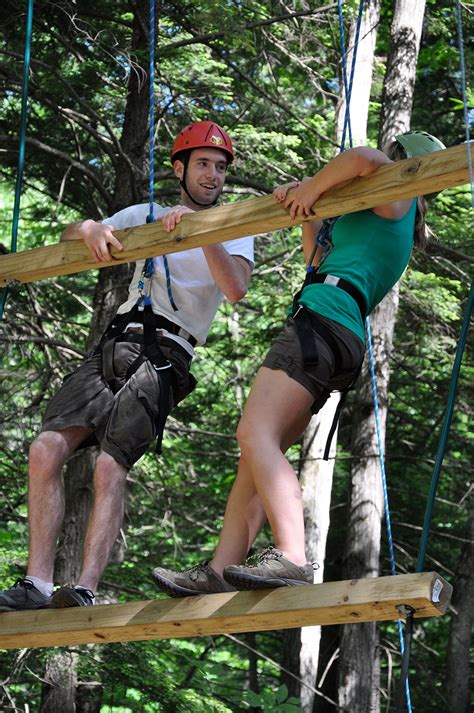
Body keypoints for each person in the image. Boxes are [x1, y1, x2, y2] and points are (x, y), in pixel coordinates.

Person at [150, 130, 446, 597]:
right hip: (334, 326)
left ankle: (291, 555)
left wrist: (311, 187)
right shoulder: (386, 219)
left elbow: (364, 158)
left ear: (405, 164)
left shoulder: (397, 199)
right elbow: (316, 259)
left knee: (252, 434)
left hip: (322, 321)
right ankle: (219, 570)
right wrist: (308, 209)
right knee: (256, 455)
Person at [0, 120, 254, 611]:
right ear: (180, 168)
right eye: (203, 164)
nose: (213, 175)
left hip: (167, 356)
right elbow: (75, 233)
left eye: (220, 168)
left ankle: (86, 589)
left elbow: (237, 288)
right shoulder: (148, 212)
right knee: (45, 448)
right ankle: (36, 583)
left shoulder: (238, 223)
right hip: (115, 344)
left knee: (109, 464)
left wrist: (201, 234)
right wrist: (92, 229)